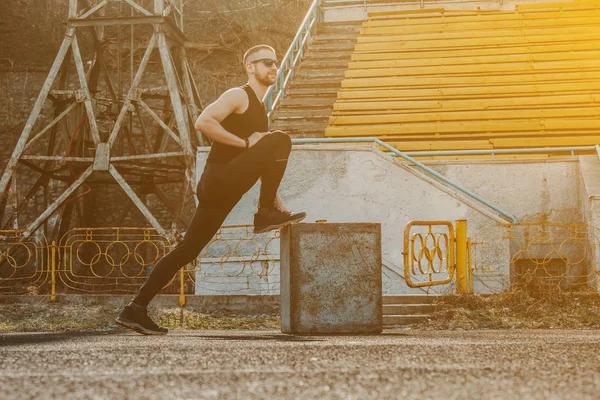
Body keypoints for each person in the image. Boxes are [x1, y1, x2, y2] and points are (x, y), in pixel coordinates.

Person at [116, 44, 306, 335]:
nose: (273, 67)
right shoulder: (238, 95)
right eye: (266, 62)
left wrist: (277, 200)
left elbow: (263, 167)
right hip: (220, 180)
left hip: (227, 189)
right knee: (280, 139)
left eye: (275, 63)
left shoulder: (260, 110)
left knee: (187, 250)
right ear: (250, 67)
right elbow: (203, 121)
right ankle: (263, 213)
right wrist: (245, 144)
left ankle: (135, 309)